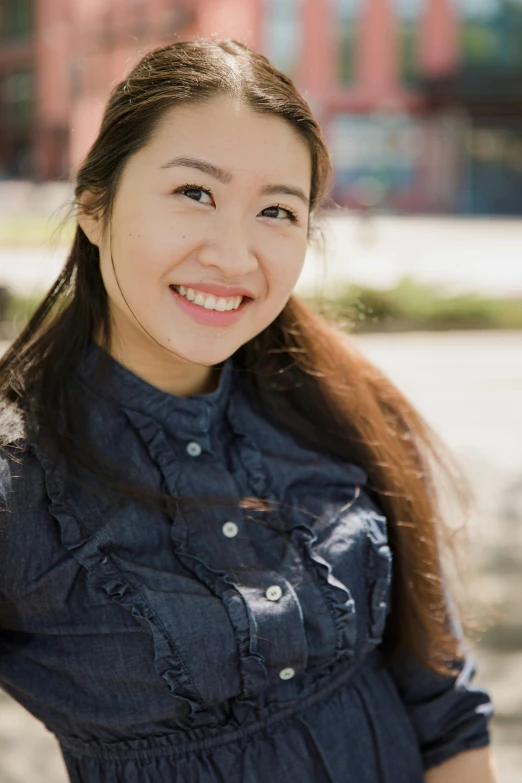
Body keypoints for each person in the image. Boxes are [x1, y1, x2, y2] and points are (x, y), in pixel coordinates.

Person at [0, 39, 497, 783]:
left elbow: (446, 711)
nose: (234, 255)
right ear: (94, 207)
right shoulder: (21, 481)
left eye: (275, 210)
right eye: (194, 193)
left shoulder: (344, 408)